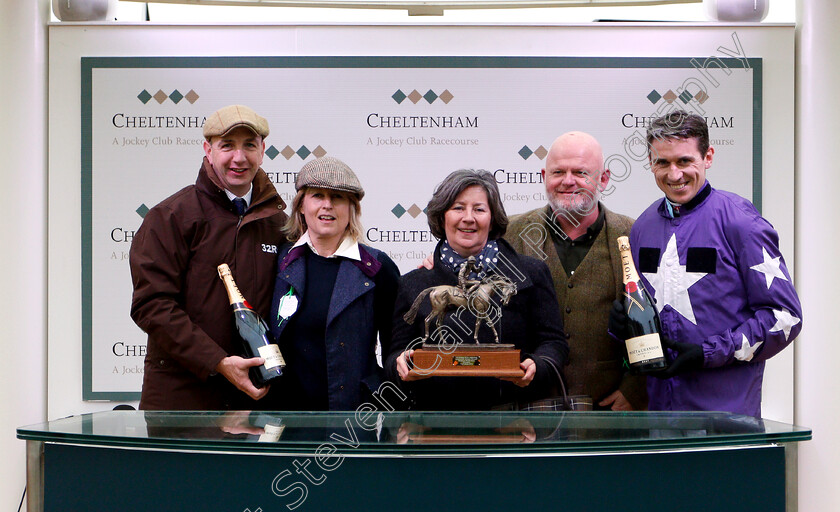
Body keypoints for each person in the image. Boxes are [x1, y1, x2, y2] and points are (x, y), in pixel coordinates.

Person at [613, 110, 802, 417]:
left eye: (684, 161)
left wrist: (707, 353)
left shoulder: (742, 222)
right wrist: (620, 326)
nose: (674, 174)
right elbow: (642, 318)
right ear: (651, 162)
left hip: (727, 418)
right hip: (660, 417)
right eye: (663, 162)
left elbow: (785, 317)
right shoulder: (643, 227)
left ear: (708, 157)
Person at [130, 104, 288, 410]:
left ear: (263, 150)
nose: (239, 158)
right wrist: (217, 361)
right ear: (208, 149)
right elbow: (152, 305)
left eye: (249, 146)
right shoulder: (172, 216)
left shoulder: (280, 224)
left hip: (256, 400)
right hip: (183, 402)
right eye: (227, 145)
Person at [386, 169, 568, 410]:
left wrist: (539, 365)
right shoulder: (412, 283)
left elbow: (554, 343)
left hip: (514, 425)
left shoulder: (531, 273)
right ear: (442, 217)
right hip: (437, 428)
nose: (468, 217)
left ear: (492, 218)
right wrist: (399, 365)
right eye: (458, 208)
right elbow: (394, 353)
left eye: (479, 209)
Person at [505, 132, 647, 411]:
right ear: (545, 176)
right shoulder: (508, 233)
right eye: (558, 172)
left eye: (581, 172)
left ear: (603, 179)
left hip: (606, 415)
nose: (568, 181)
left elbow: (660, 322)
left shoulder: (635, 235)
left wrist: (635, 390)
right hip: (525, 412)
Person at [265, 156, 400, 411]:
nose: (327, 205)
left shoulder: (377, 268)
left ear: (352, 209)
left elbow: (397, 350)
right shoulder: (281, 261)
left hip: (352, 421)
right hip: (285, 417)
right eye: (317, 195)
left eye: (338, 197)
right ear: (301, 206)